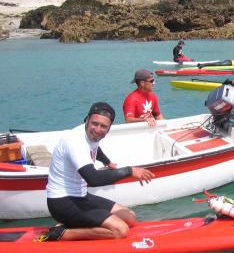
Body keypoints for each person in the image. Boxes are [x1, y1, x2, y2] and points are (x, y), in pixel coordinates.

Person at [41, 102, 155, 242]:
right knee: (120, 230)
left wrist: (107, 162)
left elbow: (95, 148)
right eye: (94, 123)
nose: (97, 129)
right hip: (62, 202)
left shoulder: (91, 135)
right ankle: (63, 233)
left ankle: (76, 223)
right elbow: (93, 179)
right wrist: (129, 171)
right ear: (87, 120)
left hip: (81, 196)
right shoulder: (74, 141)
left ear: (109, 128)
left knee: (130, 217)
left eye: (103, 126)